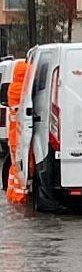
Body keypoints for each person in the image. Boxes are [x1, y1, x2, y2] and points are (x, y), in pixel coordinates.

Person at [6, 60, 28, 204]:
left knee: (16, 166)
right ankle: (19, 196)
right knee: (19, 168)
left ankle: (15, 195)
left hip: (15, 135)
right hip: (19, 135)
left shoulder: (13, 88)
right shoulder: (22, 88)